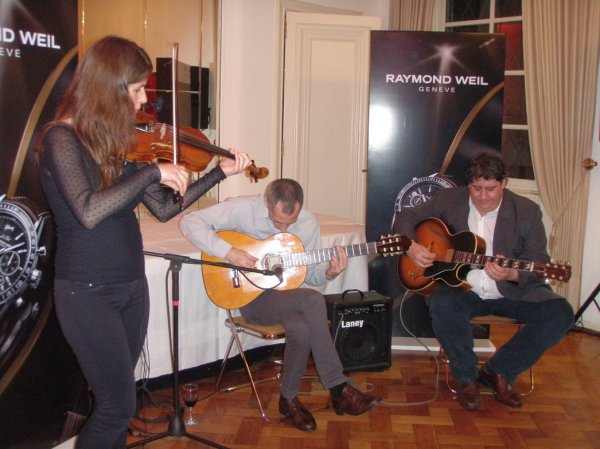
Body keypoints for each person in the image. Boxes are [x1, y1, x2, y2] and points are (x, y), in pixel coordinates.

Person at [37, 36, 251, 449]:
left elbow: (166, 208)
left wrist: (218, 174)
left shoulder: (115, 143)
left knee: (119, 405)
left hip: (132, 287)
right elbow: (88, 210)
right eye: (136, 89)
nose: (143, 101)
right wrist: (153, 171)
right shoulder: (61, 139)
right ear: (108, 87)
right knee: (116, 408)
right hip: (88, 293)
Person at [180, 178, 381, 431]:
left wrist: (329, 272)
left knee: (301, 326)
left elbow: (309, 275)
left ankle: (288, 400)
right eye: (277, 222)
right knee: (313, 299)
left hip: (287, 297)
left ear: (300, 208)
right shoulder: (243, 209)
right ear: (266, 201)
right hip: (251, 297)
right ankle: (338, 388)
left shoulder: (308, 223)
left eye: (290, 222)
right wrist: (229, 252)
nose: (284, 228)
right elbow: (190, 222)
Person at [393, 153, 574, 410]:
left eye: (491, 188)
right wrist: (411, 246)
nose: (483, 196)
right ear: (469, 184)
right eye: (477, 188)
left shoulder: (527, 211)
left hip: (510, 292)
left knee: (560, 312)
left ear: (504, 183)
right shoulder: (449, 199)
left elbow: (538, 260)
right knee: (442, 303)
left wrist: (511, 274)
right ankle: (467, 380)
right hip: (464, 289)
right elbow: (405, 216)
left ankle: (499, 371)